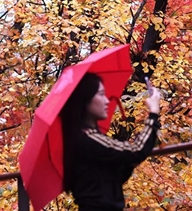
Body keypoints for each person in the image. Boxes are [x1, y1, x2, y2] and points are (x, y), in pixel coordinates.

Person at [60, 72, 161, 211]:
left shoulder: (80, 138)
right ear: (85, 100)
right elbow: (137, 150)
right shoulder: (89, 139)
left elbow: (110, 180)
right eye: (101, 94)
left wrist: (128, 162)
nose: (107, 100)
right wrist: (154, 112)